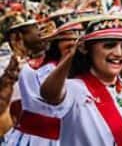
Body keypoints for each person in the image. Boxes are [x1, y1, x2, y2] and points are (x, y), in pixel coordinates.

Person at [38, 15, 122, 146]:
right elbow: (49, 94)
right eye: (109, 45)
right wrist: (71, 54)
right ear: (86, 49)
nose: (118, 53)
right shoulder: (72, 90)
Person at [6, 10, 86, 146]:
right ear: (56, 43)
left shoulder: (78, 71)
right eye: (68, 40)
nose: (74, 45)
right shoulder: (43, 70)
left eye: (77, 40)